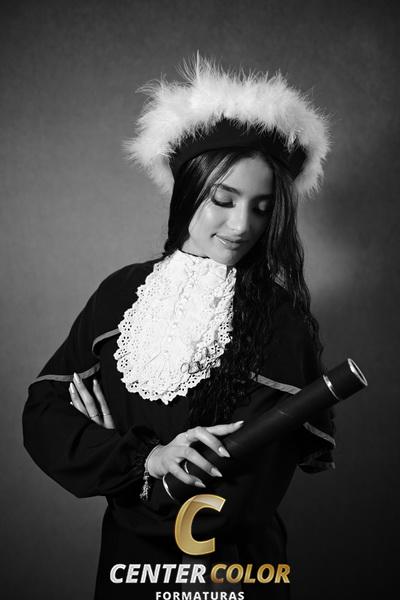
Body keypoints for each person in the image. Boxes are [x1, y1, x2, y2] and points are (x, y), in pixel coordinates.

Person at [22, 55, 336, 599]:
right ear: (190, 191)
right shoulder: (119, 294)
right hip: (127, 570)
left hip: (232, 575)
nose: (241, 226)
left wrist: (119, 468)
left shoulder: (282, 324)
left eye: (262, 208)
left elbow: (237, 500)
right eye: (223, 200)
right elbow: (44, 416)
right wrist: (147, 459)